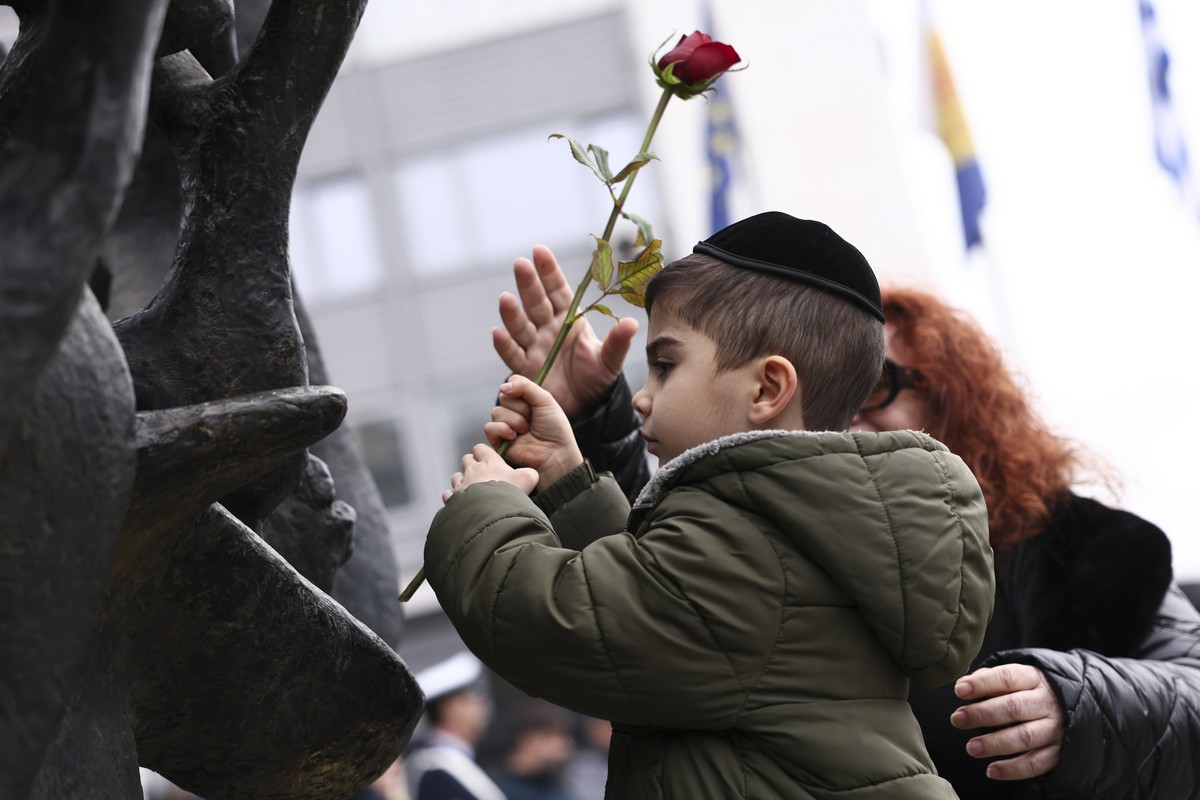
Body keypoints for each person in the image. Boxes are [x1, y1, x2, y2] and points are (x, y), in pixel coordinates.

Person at [494, 245, 1200, 799]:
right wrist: (594, 423)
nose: (844, 411)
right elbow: (644, 609)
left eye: (875, 386)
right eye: (827, 383)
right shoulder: (761, 537)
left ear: (958, 402)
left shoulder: (1085, 549)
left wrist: (1077, 706)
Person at [425, 212, 995, 799]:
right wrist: (568, 482)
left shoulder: (754, 546)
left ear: (767, 390)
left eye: (666, 366)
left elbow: (563, 622)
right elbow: (657, 594)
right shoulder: (792, 532)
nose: (641, 398)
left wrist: (482, 510)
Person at [404, 652, 506, 800]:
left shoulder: (452, 761)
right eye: (473, 698)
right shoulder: (433, 769)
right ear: (449, 709)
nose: (484, 705)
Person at [494, 702, 576, 800]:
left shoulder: (555, 786)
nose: (566, 744)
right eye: (555, 735)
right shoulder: (496, 787)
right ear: (527, 740)